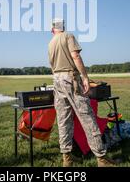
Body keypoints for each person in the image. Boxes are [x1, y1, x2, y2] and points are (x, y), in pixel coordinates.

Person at [48, 18, 118, 167]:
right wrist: (84, 77)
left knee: (63, 120)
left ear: (52, 29)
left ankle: (67, 158)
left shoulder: (51, 42)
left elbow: (52, 66)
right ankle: (101, 158)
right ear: (63, 26)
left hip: (57, 80)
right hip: (70, 79)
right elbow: (76, 56)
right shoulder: (68, 36)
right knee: (87, 117)